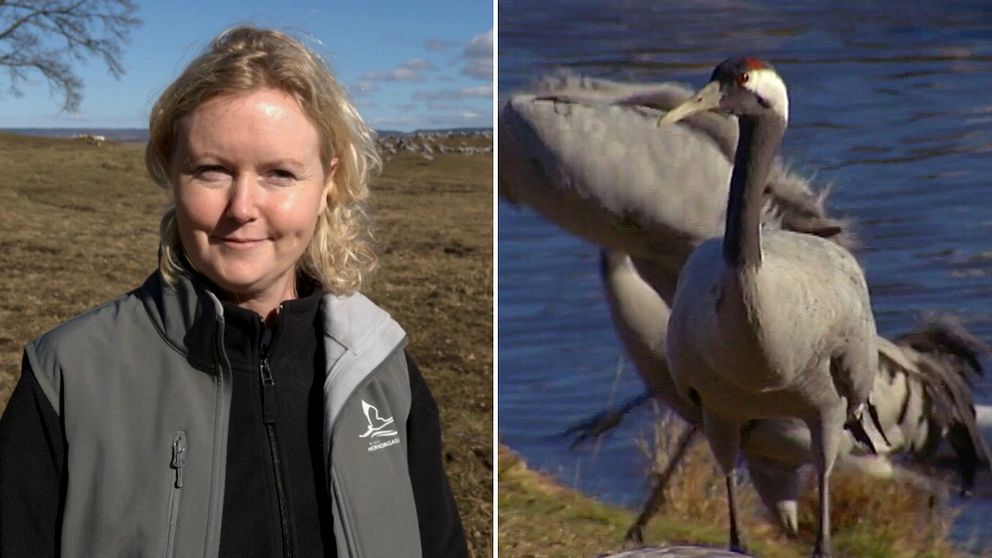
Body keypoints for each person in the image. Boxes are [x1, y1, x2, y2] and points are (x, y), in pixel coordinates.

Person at [0, 26, 468, 558]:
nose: (243, 207)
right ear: (172, 172)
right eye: (212, 170)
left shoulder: (381, 370)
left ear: (328, 183)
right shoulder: (68, 376)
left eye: (280, 173)